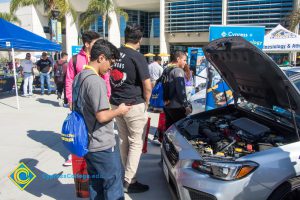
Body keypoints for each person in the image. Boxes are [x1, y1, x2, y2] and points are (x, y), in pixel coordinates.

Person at [73, 39, 130, 200]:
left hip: (87, 143)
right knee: (113, 185)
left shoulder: (80, 76)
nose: (111, 67)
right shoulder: (96, 81)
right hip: (101, 144)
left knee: (95, 185)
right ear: (101, 58)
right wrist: (119, 110)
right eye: (110, 62)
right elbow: (102, 115)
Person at [110, 24, 152, 193]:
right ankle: (129, 181)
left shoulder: (115, 54)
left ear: (125, 37)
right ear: (139, 40)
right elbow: (147, 85)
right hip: (133, 103)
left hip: (116, 103)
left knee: (123, 139)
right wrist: (146, 102)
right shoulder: (137, 56)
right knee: (136, 142)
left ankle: (127, 175)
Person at [164, 50, 192, 130]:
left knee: (169, 127)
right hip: (176, 106)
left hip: (167, 104)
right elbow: (181, 90)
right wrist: (186, 106)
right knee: (181, 129)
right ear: (178, 59)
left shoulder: (167, 69)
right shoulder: (178, 70)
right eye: (184, 60)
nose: (185, 63)